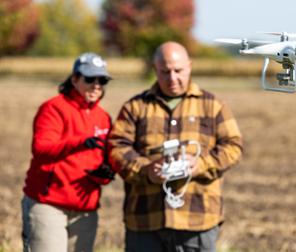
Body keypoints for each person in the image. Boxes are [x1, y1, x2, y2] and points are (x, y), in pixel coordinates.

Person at [108, 41, 243, 252]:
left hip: (198, 219)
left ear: (189, 66)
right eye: (165, 72)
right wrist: (146, 171)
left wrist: (201, 164)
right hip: (145, 221)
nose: (172, 78)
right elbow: (116, 148)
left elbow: (233, 146)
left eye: (178, 71)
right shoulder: (135, 107)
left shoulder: (213, 105)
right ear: (155, 70)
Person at [22, 52, 115, 252]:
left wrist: (104, 176)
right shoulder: (54, 108)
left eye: (102, 80)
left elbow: (104, 160)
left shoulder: (104, 118)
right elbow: (41, 149)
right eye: (90, 79)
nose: (97, 85)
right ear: (74, 79)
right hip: (48, 205)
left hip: (85, 210)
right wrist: (79, 142)